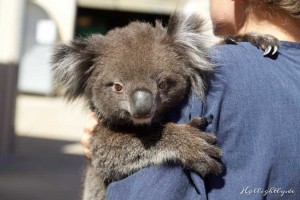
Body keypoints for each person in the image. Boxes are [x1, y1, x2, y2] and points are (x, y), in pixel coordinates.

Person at [82, 0, 300, 199]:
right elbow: (106, 155)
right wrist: (170, 140)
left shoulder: (210, 81)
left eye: (162, 85)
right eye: (119, 88)